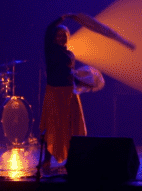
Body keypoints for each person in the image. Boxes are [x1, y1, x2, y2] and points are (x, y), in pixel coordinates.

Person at [40, 14, 104, 169]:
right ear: (54, 37)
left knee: (72, 127)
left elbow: (69, 74)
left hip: (69, 93)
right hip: (55, 93)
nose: (61, 38)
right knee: (53, 126)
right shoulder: (50, 50)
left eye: (64, 35)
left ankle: (72, 160)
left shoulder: (69, 54)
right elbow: (49, 29)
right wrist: (62, 17)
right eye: (59, 35)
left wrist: (84, 82)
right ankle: (47, 160)